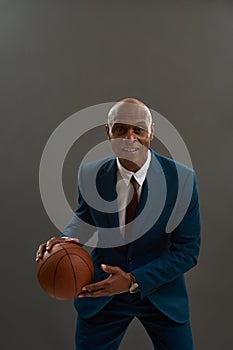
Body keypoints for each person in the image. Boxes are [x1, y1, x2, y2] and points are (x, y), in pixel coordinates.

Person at [36, 98, 201, 350]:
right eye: (120, 129)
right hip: (102, 291)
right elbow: (86, 219)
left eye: (139, 129)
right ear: (108, 132)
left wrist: (134, 280)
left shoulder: (182, 180)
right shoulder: (91, 174)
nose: (130, 137)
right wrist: (64, 241)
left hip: (159, 290)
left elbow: (187, 252)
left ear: (152, 132)